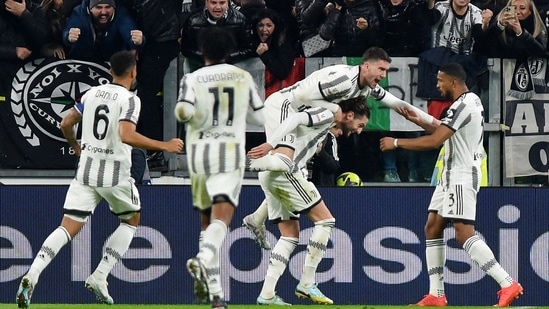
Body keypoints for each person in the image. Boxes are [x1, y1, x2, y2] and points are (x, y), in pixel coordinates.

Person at [15, 50, 183, 308]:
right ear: (133, 71)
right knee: (131, 221)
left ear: (110, 71)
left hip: (86, 171)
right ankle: (100, 275)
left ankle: (33, 274)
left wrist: (75, 146)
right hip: (114, 172)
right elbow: (126, 135)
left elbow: (65, 122)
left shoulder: (91, 93)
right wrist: (165, 145)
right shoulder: (130, 99)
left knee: (66, 227)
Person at [243, 46, 436, 249]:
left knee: (293, 169)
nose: (383, 75)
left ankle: (256, 219)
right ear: (366, 66)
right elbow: (304, 97)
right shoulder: (344, 81)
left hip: (299, 119)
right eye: (381, 69)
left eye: (386, 71)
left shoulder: (366, 87)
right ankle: (234, 163)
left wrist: (432, 122)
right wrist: (334, 108)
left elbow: (395, 101)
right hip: (285, 106)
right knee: (284, 162)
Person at [379, 63, 523, 307]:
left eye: (440, 81)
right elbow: (443, 131)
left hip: (462, 175)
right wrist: (418, 120)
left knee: (463, 233)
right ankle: (436, 294)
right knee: (433, 227)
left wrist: (396, 142)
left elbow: (436, 141)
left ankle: (507, 282)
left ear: (453, 82)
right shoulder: (468, 102)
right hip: (449, 174)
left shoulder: (463, 105)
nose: (437, 85)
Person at [173, 27, 265, 309]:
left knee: (206, 222)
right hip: (228, 153)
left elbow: (183, 111)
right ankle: (202, 260)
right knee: (221, 219)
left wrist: (192, 113)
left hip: (199, 155)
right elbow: (260, 119)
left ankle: (216, 296)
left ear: (202, 51)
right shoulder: (243, 77)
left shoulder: (191, 78)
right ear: (230, 52)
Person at [247, 96, 370, 305]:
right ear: (349, 115)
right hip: (286, 171)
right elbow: (295, 119)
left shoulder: (327, 129)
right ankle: (307, 282)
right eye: (360, 125)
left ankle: (266, 294)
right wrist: (270, 144)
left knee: (289, 236)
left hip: (274, 174)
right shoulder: (326, 114)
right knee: (326, 221)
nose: (359, 131)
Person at [62, 0, 144, 61]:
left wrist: (138, 40)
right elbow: (69, 29)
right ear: (90, 8)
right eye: (99, 7)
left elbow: (128, 29)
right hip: (82, 62)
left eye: (108, 7)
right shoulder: (79, 13)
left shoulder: (121, 14)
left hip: (111, 64)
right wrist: (69, 37)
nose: (104, 12)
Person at [180, 0, 255, 65]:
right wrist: (207, 57)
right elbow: (186, 49)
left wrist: (227, 57)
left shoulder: (241, 20)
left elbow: (249, 48)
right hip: (199, 64)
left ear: (228, 3)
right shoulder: (193, 21)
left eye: (222, 3)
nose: (218, 7)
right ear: (206, 3)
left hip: (232, 65)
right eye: (213, 3)